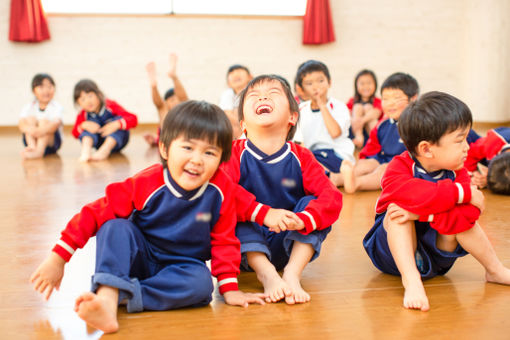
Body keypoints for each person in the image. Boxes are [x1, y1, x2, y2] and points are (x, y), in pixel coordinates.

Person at [29, 100, 266, 334]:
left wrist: (230, 289)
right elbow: (94, 213)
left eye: (209, 153)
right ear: (164, 148)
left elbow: (225, 241)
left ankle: (119, 297)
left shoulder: (220, 191)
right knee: (114, 227)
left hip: (181, 266)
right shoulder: (147, 182)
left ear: (222, 160)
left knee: (201, 284)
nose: (197, 159)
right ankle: (108, 296)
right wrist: (58, 258)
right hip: (138, 257)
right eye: (187, 148)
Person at [363, 91, 510, 312]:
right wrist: (462, 194)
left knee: (464, 221)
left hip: (438, 257)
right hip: (392, 257)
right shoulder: (399, 168)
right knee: (397, 212)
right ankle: (411, 280)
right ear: (426, 149)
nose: (467, 148)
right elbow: (411, 195)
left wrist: (424, 214)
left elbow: (470, 215)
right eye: (460, 141)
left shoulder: (457, 172)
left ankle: (494, 269)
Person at [221, 74, 342, 305]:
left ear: (292, 117)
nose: (263, 97)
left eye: (273, 93)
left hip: (288, 241)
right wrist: (263, 213)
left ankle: (292, 273)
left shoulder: (302, 157)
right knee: (231, 207)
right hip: (246, 250)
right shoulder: (234, 153)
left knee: (313, 206)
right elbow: (222, 193)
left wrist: (303, 220)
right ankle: (266, 273)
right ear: (243, 123)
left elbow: (332, 197)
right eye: (253, 96)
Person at [340, 72, 419, 193]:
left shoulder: (417, 125)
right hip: (382, 158)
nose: (390, 103)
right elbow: (372, 147)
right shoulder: (382, 125)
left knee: (384, 169)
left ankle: (356, 184)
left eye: (397, 98)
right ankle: (336, 179)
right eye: (385, 99)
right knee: (366, 164)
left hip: (402, 167)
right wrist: (364, 160)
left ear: (413, 98)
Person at [293, 60, 355, 184]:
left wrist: (322, 105)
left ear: (329, 82)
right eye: (309, 83)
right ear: (302, 90)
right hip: (314, 156)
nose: (316, 86)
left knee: (311, 165)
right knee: (297, 164)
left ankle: (335, 178)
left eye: (321, 81)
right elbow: (298, 141)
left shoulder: (339, 106)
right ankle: (334, 179)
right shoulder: (301, 109)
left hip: (336, 154)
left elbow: (335, 133)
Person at [72, 79, 138, 162]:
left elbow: (133, 119)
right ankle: (86, 151)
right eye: (83, 99)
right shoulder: (83, 114)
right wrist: (83, 125)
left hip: (117, 141)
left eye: (90, 96)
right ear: (79, 104)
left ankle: (104, 150)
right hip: (99, 142)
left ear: (98, 94)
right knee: (87, 125)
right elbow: (74, 133)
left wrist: (117, 124)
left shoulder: (110, 105)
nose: (88, 101)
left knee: (118, 120)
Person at [144, 53, 189, 146]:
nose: (176, 102)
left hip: (183, 138)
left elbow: (183, 98)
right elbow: (158, 103)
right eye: (172, 100)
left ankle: (174, 76)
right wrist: (155, 141)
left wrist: (174, 78)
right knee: (162, 108)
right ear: (166, 103)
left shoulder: (184, 107)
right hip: (167, 139)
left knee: (185, 103)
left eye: (177, 99)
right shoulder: (163, 110)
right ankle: (153, 86)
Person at [18, 73, 63, 159]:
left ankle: (39, 151)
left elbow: (55, 124)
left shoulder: (56, 107)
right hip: (32, 138)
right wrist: (33, 130)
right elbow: (21, 124)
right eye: (41, 87)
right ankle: (32, 147)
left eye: (49, 87)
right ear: (34, 91)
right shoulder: (29, 106)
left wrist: (40, 131)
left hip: (51, 143)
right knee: (30, 119)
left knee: (44, 122)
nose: (46, 91)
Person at [464, 127, 510, 192]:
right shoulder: (494, 142)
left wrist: (487, 181)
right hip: (476, 145)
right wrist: (471, 175)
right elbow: (470, 154)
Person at [346, 69, 383, 148]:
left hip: (371, 131)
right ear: (356, 86)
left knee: (368, 107)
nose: (366, 86)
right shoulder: (353, 100)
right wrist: (355, 121)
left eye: (369, 83)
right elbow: (346, 113)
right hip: (356, 130)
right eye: (362, 84)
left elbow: (377, 113)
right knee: (357, 107)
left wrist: (362, 121)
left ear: (375, 85)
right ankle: (359, 137)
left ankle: (374, 140)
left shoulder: (377, 101)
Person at [219, 64, 253, 139]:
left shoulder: (255, 93)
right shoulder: (227, 94)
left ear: (250, 77)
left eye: (239, 71)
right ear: (228, 83)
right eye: (231, 73)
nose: (235, 75)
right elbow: (226, 114)